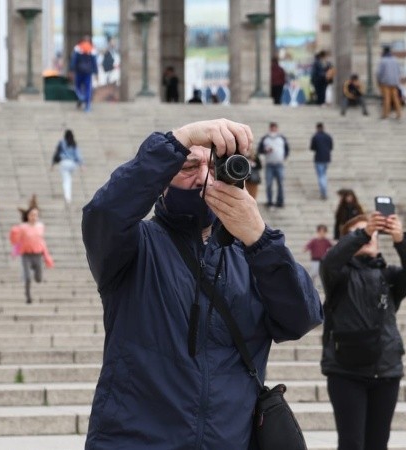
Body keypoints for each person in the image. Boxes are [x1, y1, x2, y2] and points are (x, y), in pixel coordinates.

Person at [81, 118, 322, 449]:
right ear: (161, 180)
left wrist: (260, 238)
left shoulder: (254, 254)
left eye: (215, 166)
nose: (204, 179)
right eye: (189, 166)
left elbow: (301, 317)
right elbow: (105, 214)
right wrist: (180, 140)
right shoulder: (136, 245)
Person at [320, 212, 406, 450]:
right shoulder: (338, 276)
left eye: (373, 233)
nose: (369, 236)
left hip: (386, 371)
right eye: (358, 232)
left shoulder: (389, 276)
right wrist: (363, 232)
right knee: (352, 444)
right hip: (346, 372)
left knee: (378, 444)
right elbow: (330, 261)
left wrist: (401, 239)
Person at [10, 197, 54, 304]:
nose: (33, 217)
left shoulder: (40, 227)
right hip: (26, 255)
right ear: (28, 216)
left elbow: (42, 242)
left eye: (35, 215)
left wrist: (47, 257)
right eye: (31, 215)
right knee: (28, 278)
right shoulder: (22, 227)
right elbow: (16, 241)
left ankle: (35, 273)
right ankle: (28, 296)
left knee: (38, 278)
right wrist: (14, 235)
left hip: (37, 255)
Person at [257, 122, 290, 208]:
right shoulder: (265, 138)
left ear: (277, 129)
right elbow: (259, 150)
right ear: (270, 128)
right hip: (269, 165)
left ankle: (280, 201)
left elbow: (286, 149)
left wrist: (283, 157)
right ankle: (270, 201)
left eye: (275, 128)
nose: (273, 130)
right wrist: (265, 150)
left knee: (280, 184)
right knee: (269, 184)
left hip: (279, 164)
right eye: (272, 128)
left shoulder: (282, 138)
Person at [51, 129, 85, 204]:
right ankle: (68, 196)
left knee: (66, 180)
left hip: (64, 162)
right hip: (73, 164)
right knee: (68, 178)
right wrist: (81, 165)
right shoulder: (74, 143)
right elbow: (78, 155)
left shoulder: (61, 142)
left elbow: (57, 153)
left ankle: (67, 197)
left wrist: (53, 164)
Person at [70, 35, 99, 112]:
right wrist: (96, 73)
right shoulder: (92, 49)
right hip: (88, 72)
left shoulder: (78, 48)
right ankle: (87, 106)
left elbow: (74, 60)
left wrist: (72, 70)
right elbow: (94, 62)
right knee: (88, 88)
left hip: (79, 71)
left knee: (77, 86)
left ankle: (81, 97)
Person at [377, 46, 402, 120]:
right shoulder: (395, 60)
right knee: (395, 98)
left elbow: (379, 72)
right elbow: (398, 71)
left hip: (385, 82)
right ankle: (399, 113)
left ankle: (385, 114)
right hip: (394, 82)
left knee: (386, 98)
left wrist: (379, 80)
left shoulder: (383, 60)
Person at [310, 122, 334, 200]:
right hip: (326, 158)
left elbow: (312, 148)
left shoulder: (315, 137)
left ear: (317, 128)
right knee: (323, 174)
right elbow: (331, 146)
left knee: (321, 175)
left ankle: (323, 192)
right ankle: (323, 190)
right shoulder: (328, 136)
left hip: (318, 158)